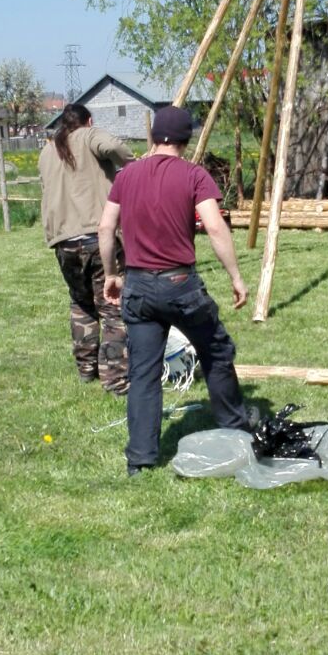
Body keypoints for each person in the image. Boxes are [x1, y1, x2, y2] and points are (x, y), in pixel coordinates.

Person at [99, 104, 254, 475]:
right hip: (180, 285)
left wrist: (111, 274)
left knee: (144, 372)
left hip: (137, 285)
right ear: (186, 140)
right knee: (216, 351)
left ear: (154, 137)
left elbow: (105, 228)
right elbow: (214, 227)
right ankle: (236, 431)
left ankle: (140, 460)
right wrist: (235, 276)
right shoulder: (194, 175)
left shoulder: (126, 175)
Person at [39, 101, 134, 393]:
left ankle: (86, 369)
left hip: (63, 241)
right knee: (112, 306)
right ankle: (115, 378)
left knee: (81, 303)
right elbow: (114, 146)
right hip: (97, 237)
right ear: (89, 121)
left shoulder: (47, 150)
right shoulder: (89, 135)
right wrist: (130, 164)